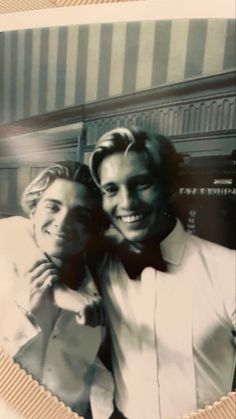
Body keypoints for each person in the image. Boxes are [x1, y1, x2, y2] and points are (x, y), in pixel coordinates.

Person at [88, 127, 236, 419]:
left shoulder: (228, 269)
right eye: (111, 189)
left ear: (169, 187)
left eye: (141, 184)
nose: (127, 202)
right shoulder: (99, 264)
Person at [0, 161, 114, 419]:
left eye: (81, 217)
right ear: (33, 212)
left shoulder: (102, 288)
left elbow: (94, 373)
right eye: (53, 206)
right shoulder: (4, 261)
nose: (63, 223)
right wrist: (26, 313)